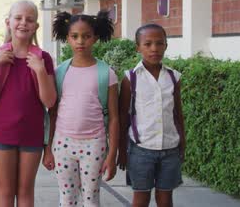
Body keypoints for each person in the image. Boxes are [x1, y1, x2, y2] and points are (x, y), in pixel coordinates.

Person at [0, 0, 57, 207]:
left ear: (36, 26)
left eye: (29, 19)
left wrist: (40, 71)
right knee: (5, 191)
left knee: (25, 191)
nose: (24, 23)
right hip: (2, 132)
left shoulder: (43, 59)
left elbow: (49, 101)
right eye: (18, 18)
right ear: (8, 22)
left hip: (32, 133)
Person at [43, 11, 119, 207]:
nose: (80, 41)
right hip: (62, 144)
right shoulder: (60, 71)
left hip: (94, 144)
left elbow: (114, 118)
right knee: (67, 199)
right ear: (66, 38)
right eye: (74, 36)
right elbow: (52, 112)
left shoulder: (106, 73)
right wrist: (48, 148)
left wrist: (112, 155)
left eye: (86, 36)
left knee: (91, 199)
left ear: (95, 37)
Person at [117, 23, 185, 207]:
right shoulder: (130, 78)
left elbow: (177, 114)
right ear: (138, 47)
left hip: (170, 149)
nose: (154, 48)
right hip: (141, 150)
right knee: (141, 198)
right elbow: (123, 116)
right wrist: (122, 151)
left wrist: (182, 145)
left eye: (159, 43)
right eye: (147, 44)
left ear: (166, 45)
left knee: (165, 198)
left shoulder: (173, 77)